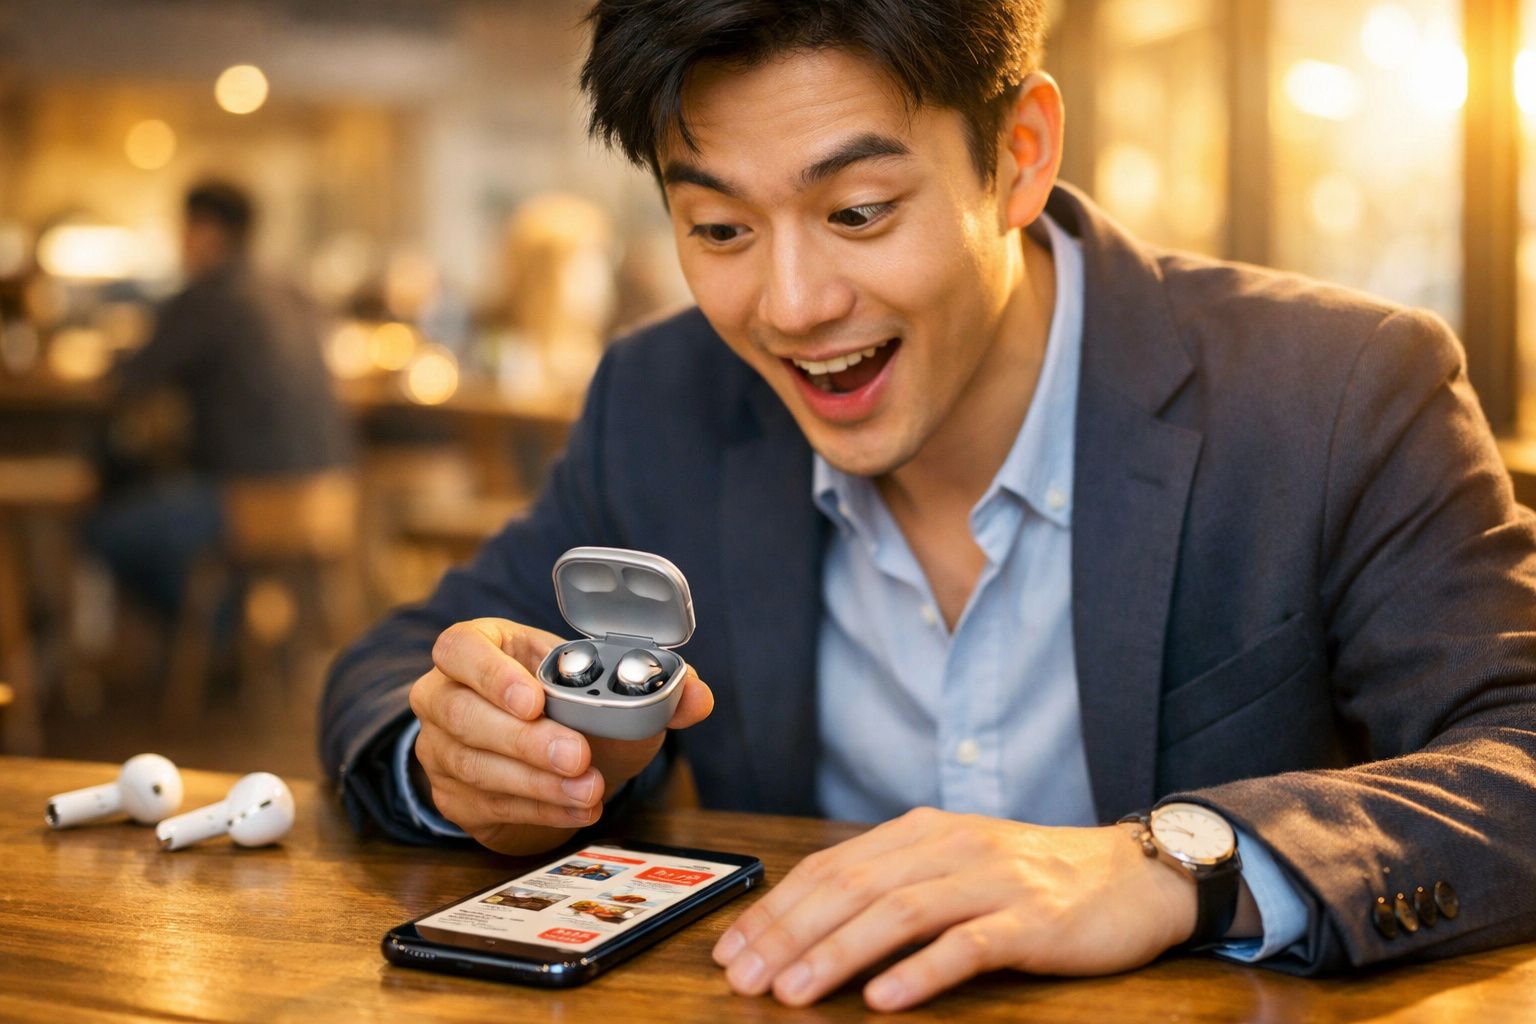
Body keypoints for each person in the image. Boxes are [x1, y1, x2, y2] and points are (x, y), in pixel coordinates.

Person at [321, 0, 1536, 1011]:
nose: (790, 304)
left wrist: (1168, 863)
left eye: (859, 213)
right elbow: (393, 668)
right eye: (721, 227)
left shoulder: (1332, 392)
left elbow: (1520, 756)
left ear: (1020, 154)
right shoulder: (664, 402)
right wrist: (466, 749)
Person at [89, 180, 352, 617]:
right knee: (172, 530)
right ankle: (228, 642)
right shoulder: (293, 291)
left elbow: (131, 378)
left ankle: (207, 648)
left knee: (104, 532)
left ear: (206, 231)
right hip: (332, 494)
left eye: (185, 230)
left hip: (248, 500)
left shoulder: (209, 297)